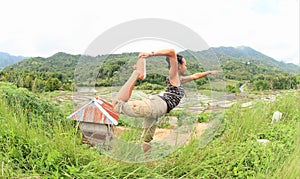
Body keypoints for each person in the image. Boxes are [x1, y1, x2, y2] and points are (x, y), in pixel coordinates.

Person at [112, 49, 219, 155]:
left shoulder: (180, 80)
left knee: (146, 139)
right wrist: (151, 54)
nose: (186, 67)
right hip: (157, 105)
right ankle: (137, 73)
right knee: (116, 105)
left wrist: (209, 72)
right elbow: (172, 52)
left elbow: (195, 76)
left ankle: (147, 160)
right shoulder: (174, 76)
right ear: (178, 66)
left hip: (159, 108)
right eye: (185, 64)